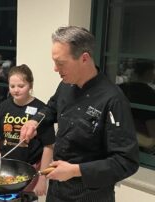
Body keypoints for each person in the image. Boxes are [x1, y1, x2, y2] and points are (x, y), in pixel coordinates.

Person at [19, 26, 139, 202]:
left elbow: (126, 161)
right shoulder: (67, 84)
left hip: (90, 193)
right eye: (54, 62)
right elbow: (51, 108)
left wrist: (76, 170)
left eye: (60, 63)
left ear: (84, 58)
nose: (55, 69)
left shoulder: (112, 100)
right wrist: (34, 122)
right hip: (58, 190)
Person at [0, 64, 55, 196]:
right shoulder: (3, 107)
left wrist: (43, 179)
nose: (16, 90)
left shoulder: (41, 110)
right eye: (12, 86)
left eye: (21, 86)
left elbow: (49, 147)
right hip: (6, 167)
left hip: (31, 168)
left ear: (30, 85)